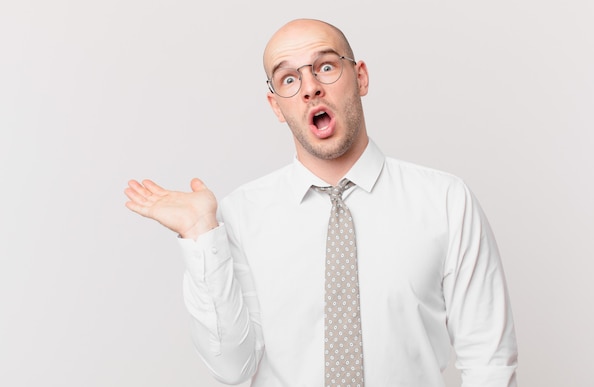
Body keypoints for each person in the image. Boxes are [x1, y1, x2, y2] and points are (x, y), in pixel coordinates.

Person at [125, 18, 518, 387]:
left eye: (326, 67)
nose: (311, 87)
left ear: (360, 77)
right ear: (276, 106)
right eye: (290, 78)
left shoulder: (446, 201)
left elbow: (489, 359)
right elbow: (232, 366)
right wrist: (200, 237)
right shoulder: (240, 216)